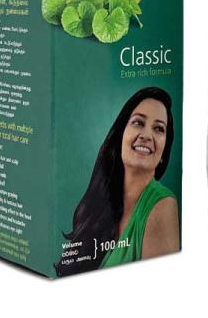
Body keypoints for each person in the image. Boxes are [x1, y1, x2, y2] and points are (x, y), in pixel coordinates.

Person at [55, 86, 179, 275]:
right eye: (138, 122)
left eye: (159, 128)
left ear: (164, 151)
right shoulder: (101, 205)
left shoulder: (162, 206)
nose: (147, 135)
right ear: (121, 134)